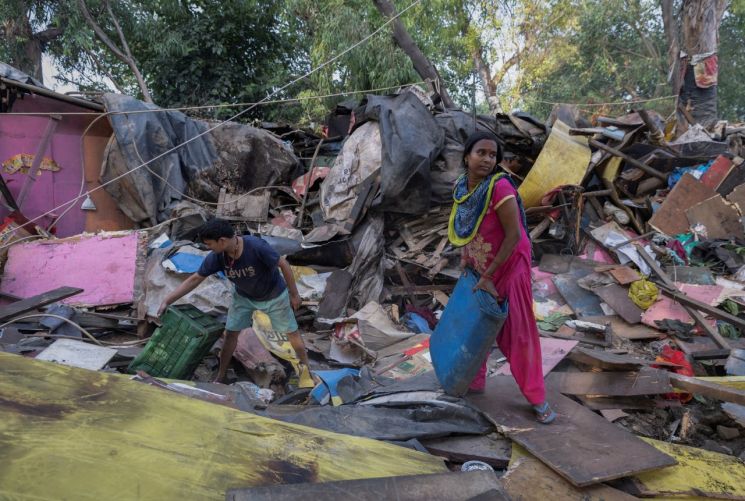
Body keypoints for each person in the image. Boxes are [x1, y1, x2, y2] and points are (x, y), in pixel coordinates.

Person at [448, 131, 556, 424]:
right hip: (481, 266)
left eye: (492, 155)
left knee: (518, 334)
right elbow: (469, 229)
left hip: (509, 267)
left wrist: (490, 275)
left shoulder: (500, 188)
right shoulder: (462, 188)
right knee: (476, 327)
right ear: (467, 156)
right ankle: (474, 383)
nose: (487, 159)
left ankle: (537, 398)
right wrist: (467, 260)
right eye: (480, 152)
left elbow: (514, 236)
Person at [157, 219, 313, 383]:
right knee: (230, 334)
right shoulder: (218, 257)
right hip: (243, 297)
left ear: (222, 241)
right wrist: (167, 300)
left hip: (273, 296)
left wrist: (294, 295)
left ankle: (307, 369)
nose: (208, 248)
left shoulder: (256, 247)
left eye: (209, 244)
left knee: (291, 333)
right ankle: (221, 375)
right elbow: (195, 279)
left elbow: (284, 264)